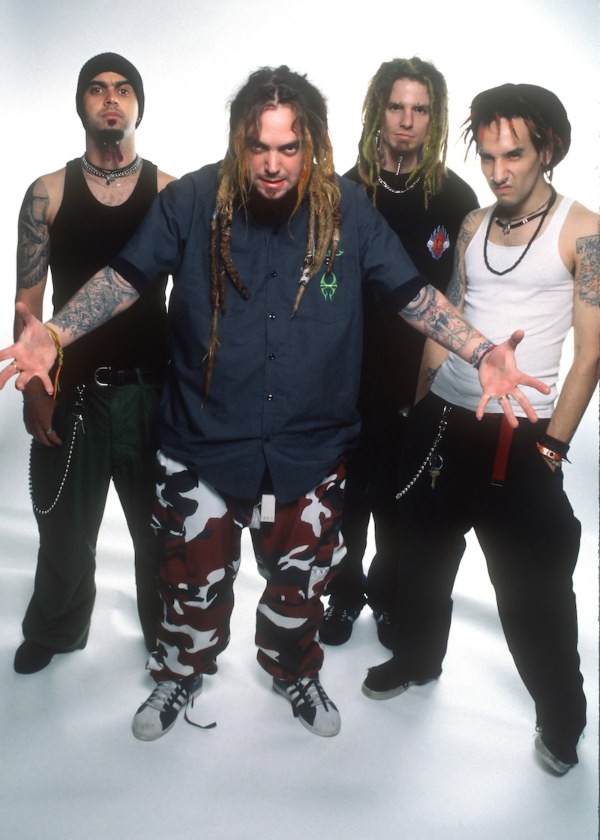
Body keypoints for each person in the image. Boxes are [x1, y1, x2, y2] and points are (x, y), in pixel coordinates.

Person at [0, 66, 548, 741]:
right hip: (202, 445)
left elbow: (412, 294)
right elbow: (125, 278)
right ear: (238, 140)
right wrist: (55, 333)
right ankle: (178, 674)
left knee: (302, 590)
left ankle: (295, 672)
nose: (272, 164)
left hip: (308, 450)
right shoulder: (191, 200)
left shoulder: (348, 211)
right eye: (258, 146)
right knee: (188, 587)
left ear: (312, 143)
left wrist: (480, 350)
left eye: (289, 148)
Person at [361, 83, 599, 775]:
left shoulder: (583, 232)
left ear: (548, 149)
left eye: (513, 155)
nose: (498, 171)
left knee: (533, 594)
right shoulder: (471, 224)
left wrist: (551, 447)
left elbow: (590, 354)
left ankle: (562, 718)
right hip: (441, 420)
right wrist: (418, 406)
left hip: (517, 435)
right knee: (421, 558)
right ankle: (417, 658)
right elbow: (448, 317)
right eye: (488, 156)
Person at [12, 53, 175, 674]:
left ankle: (167, 634)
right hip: (73, 387)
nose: (111, 98)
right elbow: (28, 304)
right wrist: (35, 387)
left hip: (152, 390)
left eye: (124, 89)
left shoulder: (170, 193)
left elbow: (195, 302)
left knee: (161, 530)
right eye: (98, 89)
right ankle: (56, 628)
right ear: (81, 103)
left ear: (139, 106)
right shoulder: (47, 193)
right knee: (63, 528)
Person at [320, 58, 479, 648]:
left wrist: (435, 378)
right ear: (377, 112)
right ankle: (343, 591)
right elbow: (322, 285)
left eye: (420, 109)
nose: (407, 121)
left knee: (398, 498)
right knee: (346, 497)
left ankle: (386, 596)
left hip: (419, 379)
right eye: (396, 107)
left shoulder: (455, 197)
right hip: (347, 375)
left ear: (434, 118)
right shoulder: (344, 190)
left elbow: (459, 300)